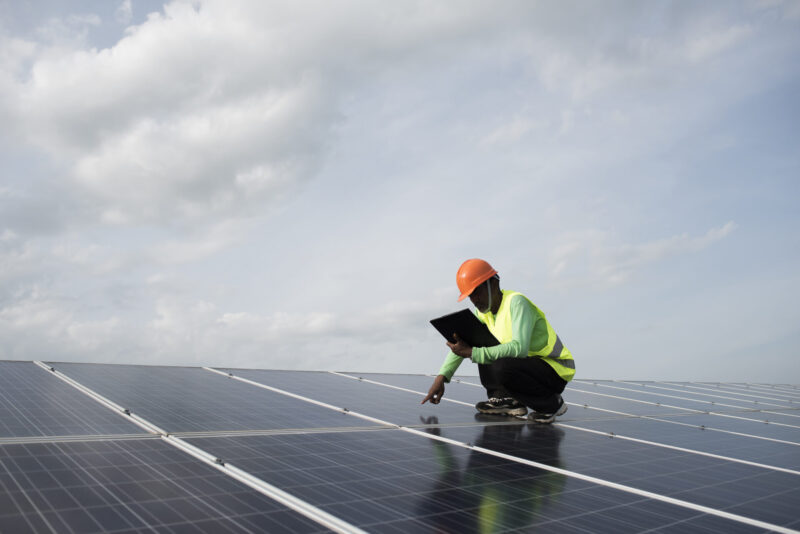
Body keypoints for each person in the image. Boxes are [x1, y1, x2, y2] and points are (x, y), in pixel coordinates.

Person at [422, 259, 575, 423]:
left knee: (493, 358)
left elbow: (520, 348)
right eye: (470, 296)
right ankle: (504, 399)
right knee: (481, 343)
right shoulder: (483, 313)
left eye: (477, 292)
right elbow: (464, 344)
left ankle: (551, 404)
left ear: (494, 284)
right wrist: (442, 376)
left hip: (554, 369)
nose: (474, 299)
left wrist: (474, 353)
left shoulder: (516, 303)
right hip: (529, 368)